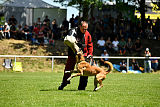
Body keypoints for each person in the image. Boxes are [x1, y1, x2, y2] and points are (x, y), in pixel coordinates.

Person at [58, 21, 93, 90]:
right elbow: (68, 40)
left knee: (85, 71)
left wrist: (90, 54)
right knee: (68, 69)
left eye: (86, 29)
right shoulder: (73, 31)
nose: (85, 30)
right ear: (80, 26)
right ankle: (64, 83)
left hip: (83, 55)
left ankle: (82, 88)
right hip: (73, 54)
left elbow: (90, 44)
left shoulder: (87, 34)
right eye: (83, 29)